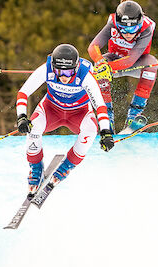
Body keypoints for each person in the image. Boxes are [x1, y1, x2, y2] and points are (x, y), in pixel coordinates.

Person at [16, 44, 114, 198]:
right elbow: (23, 93)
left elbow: (100, 106)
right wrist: (21, 117)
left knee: (91, 130)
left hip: (79, 112)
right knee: (33, 128)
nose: (64, 76)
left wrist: (106, 132)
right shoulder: (46, 69)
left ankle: (67, 166)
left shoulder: (85, 74)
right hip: (51, 109)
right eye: (59, 71)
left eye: (68, 72)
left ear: (75, 68)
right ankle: (35, 167)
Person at [88, 0, 158, 134]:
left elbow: (131, 59)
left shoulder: (146, 29)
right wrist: (101, 63)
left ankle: (134, 115)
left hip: (135, 63)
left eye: (132, 29)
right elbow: (93, 47)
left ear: (139, 23)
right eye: (123, 28)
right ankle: (107, 118)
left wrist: (107, 67)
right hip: (114, 59)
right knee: (97, 68)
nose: (128, 33)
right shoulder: (112, 24)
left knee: (152, 63)